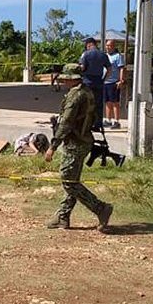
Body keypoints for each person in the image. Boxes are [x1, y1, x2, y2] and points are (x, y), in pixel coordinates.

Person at [44, 80, 113, 232]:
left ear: (72, 79)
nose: (63, 81)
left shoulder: (75, 95)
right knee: (71, 179)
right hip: (83, 140)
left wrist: (53, 146)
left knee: (68, 181)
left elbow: (66, 122)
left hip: (75, 142)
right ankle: (63, 216)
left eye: (66, 78)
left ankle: (100, 208)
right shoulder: (87, 91)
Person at [78, 36, 111, 131]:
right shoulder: (103, 55)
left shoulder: (86, 54)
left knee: (86, 103)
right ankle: (98, 124)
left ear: (88, 45)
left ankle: (86, 124)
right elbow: (109, 69)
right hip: (99, 81)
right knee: (98, 104)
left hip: (87, 81)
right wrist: (104, 79)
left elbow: (83, 67)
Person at [102, 40, 125, 128]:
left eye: (110, 45)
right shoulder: (105, 56)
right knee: (107, 102)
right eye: (107, 45)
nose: (108, 47)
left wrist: (121, 80)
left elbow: (121, 68)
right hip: (105, 82)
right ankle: (108, 120)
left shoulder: (117, 56)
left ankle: (116, 121)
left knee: (115, 102)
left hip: (114, 82)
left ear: (113, 46)